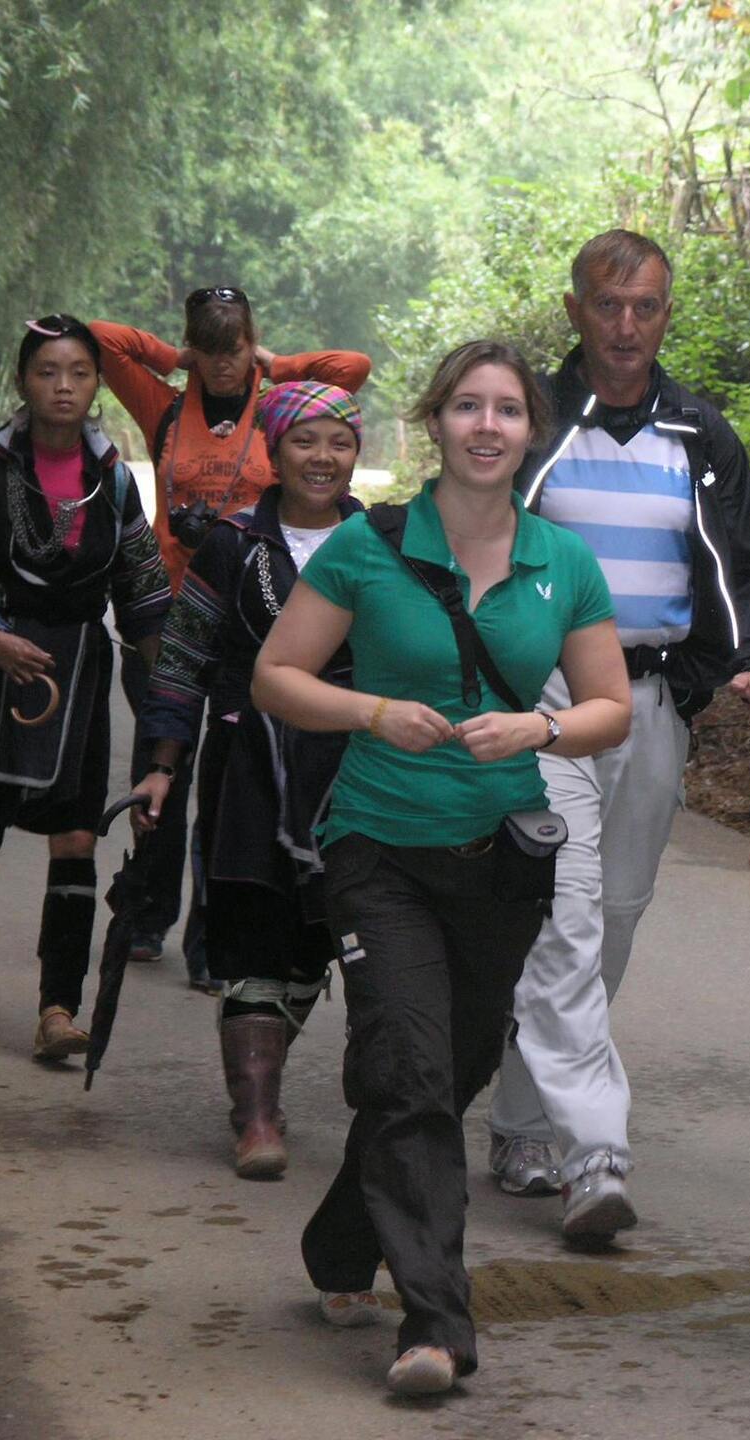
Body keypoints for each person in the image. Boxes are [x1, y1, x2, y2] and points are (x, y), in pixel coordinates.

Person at [252, 340, 630, 1397]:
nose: (486, 425)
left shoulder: (565, 559)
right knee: (412, 1071)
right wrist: (371, 709)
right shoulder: (368, 550)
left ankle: (341, 1241)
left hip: (502, 859)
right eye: (467, 406)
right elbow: (277, 675)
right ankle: (433, 1325)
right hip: (379, 850)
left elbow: (608, 707)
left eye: (507, 410)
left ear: (530, 432)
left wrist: (539, 733)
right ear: (436, 423)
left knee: (450, 1072)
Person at [486, 230, 750, 1237]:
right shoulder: (530, 420)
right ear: (574, 310)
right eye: (607, 306)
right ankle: (566, 1138)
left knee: (613, 913)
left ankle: (533, 1105)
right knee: (560, 914)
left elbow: (747, 559)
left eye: (646, 307)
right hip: (544, 703)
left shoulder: (699, 434)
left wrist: (743, 659)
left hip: (651, 704)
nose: (625, 328)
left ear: (667, 315)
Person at [91, 292, 371, 986]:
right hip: (175, 605)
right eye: (208, 350)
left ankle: (213, 939)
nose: (222, 364)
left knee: (233, 781)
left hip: (263, 612)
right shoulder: (165, 408)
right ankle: (151, 913)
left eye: (234, 347)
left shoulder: (279, 411)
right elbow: (100, 338)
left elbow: (351, 368)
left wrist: (278, 364)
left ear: (251, 343)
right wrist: (170, 358)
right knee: (168, 764)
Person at [130, 381, 366, 1180]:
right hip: (247, 772)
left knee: (329, 938)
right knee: (254, 929)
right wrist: (163, 766)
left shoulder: (383, 543)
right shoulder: (233, 543)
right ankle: (256, 1117)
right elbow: (185, 656)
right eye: (305, 441)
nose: (322, 458)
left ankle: (337, 1091)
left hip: (354, 773)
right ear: (274, 449)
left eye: (339, 441)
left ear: (357, 452)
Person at [0, 316, 169, 1055]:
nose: (65, 387)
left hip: (76, 674)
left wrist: (170, 703)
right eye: (48, 372)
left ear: (97, 386)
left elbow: (146, 598)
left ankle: (59, 1009)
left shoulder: (115, 481)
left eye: (80, 373)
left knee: (78, 838)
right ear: (24, 382)